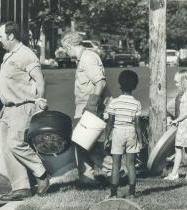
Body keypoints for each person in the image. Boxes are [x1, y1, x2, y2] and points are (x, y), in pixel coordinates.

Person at [0, 21, 50, 201]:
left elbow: (40, 81)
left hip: (24, 106)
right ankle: (21, 187)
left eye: (1, 36)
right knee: (7, 147)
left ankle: (41, 174)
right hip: (9, 108)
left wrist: (40, 102)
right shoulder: (9, 55)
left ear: (11, 36)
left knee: (15, 143)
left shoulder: (26, 55)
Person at [61, 31, 112, 184]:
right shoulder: (83, 58)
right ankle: (87, 179)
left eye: (65, 48)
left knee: (88, 144)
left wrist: (92, 104)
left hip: (90, 108)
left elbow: (100, 82)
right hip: (84, 107)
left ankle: (115, 171)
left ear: (69, 45)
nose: (65, 51)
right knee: (81, 143)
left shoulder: (88, 58)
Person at [104, 70, 143, 199]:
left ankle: (113, 193)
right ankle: (132, 192)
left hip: (118, 132)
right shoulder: (136, 103)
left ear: (120, 85)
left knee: (116, 164)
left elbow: (110, 122)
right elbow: (138, 124)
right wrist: (141, 140)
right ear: (135, 86)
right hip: (131, 131)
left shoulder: (114, 102)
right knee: (130, 164)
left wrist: (106, 137)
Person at [164, 69, 187, 181]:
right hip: (186, 122)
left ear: (184, 81)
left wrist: (176, 120)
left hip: (186, 122)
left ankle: (176, 174)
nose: (176, 84)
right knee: (185, 149)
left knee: (180, 148)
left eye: (177, 82)